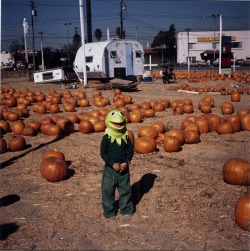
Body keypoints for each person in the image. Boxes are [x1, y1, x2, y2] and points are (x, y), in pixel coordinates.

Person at [100, 110, 134, 219]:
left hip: (124, 169)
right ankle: (109, 211)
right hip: (110, 170)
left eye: (120, 122)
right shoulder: (106, 138)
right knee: (107, 191)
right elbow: (103, 153)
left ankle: (126, 209)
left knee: (125, 190)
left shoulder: (125, 136)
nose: (119, 124)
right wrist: (112, 163)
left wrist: (126, 162)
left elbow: (130, 150)